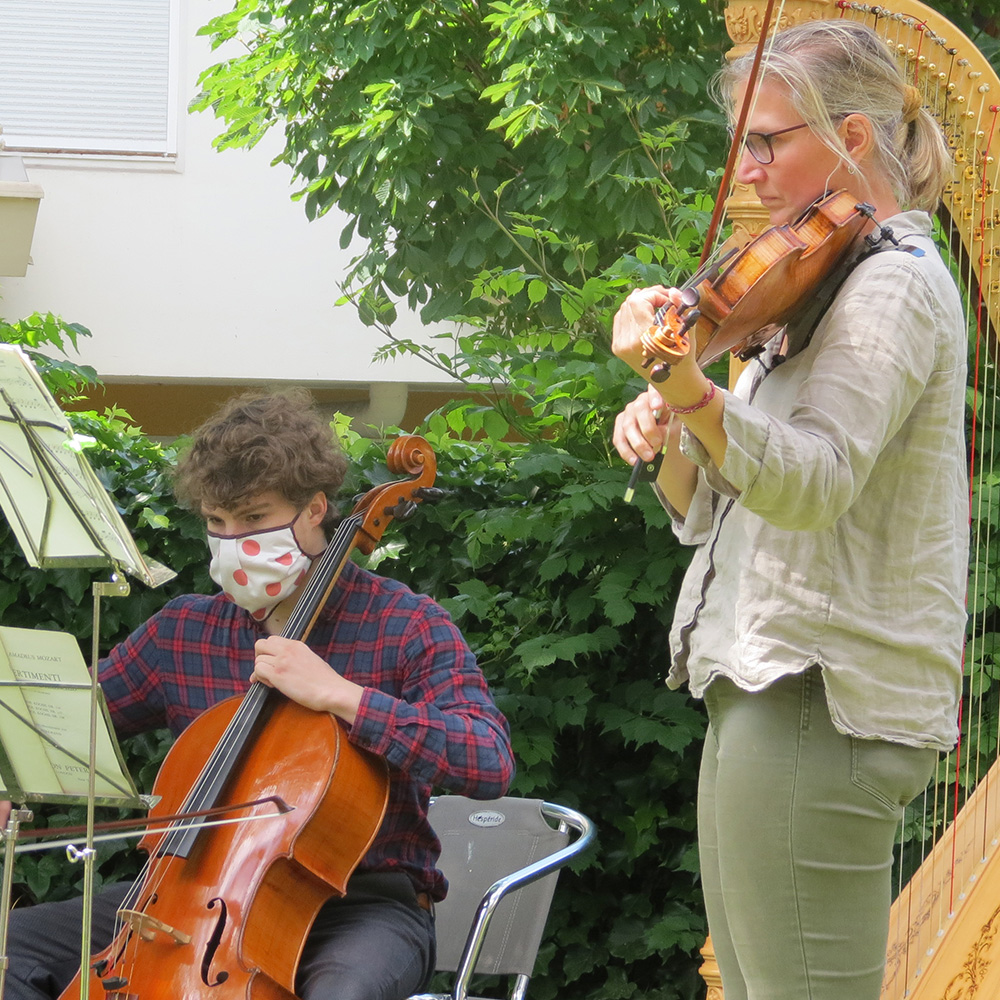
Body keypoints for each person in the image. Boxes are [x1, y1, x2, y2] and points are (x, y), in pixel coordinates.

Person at [611, 20, 966, 1000]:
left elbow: (812, 484)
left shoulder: (889, 286)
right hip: (768, 684)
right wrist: (671, 423)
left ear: (850, 138)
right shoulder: (803, 296)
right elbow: (707, 513)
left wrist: (693, 393)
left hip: (820, 695)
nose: (747, 171)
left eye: (767, 141)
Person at [3, 389, 514, 1000]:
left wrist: (344, 697)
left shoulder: (405, 625)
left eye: (252, 519)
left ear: (315, 509)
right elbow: (59, 722)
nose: (231, 541)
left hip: (364, 905)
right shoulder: (185, 631)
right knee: (10, 951)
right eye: (216, 523)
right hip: (189, 888)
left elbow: (488, 759)